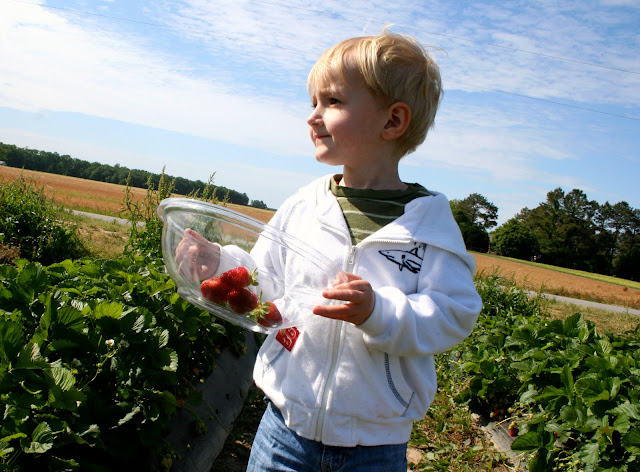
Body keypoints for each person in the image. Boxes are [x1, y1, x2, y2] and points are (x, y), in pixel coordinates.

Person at [177, 27, 482, 472]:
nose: (313, 117)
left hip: (374, 446)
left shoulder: (427, 225)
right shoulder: (305, 206)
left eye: (333, 101)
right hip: (284, 428)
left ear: (392, 122)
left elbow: (453, 314)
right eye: (313, 103)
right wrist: (221, 264)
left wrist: (378, 312)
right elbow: (266, 280)